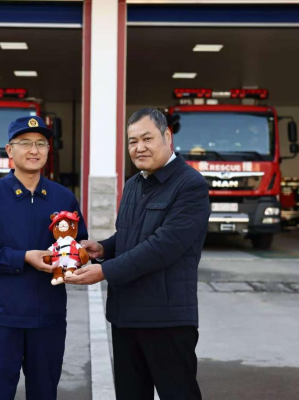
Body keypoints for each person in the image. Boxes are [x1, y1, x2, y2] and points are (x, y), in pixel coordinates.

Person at [66, 108, 210, 400]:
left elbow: (163, 247)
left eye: (147, 138)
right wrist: (103, 248)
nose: (139, 147)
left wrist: (105, 271)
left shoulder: (190, 185)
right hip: (126, 317)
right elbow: (130, 236)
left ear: (167, 136)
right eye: (132, 141)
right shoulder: (134, 185)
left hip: (166, 320)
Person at [0, 115, 88, 400]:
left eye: (41, 143)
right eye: (25, 143)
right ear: (10, 150)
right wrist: (23, 258)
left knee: (45, 394)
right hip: (2, 319)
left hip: (49, 319)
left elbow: (78, 243)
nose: (34, 150)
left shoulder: (63, 197)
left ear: (48, 150)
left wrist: (80, 255)